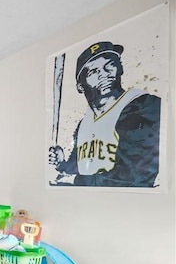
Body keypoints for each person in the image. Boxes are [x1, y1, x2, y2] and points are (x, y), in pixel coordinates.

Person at [48, 41, 161, 187]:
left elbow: (131, 177)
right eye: (94, 71)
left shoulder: (144, 106)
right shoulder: (85, 123)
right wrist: (62, 164)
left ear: (120, 69)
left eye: (110, 65)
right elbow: (82, 166)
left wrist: (70, 187)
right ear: (80, 86)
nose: (105, 74)